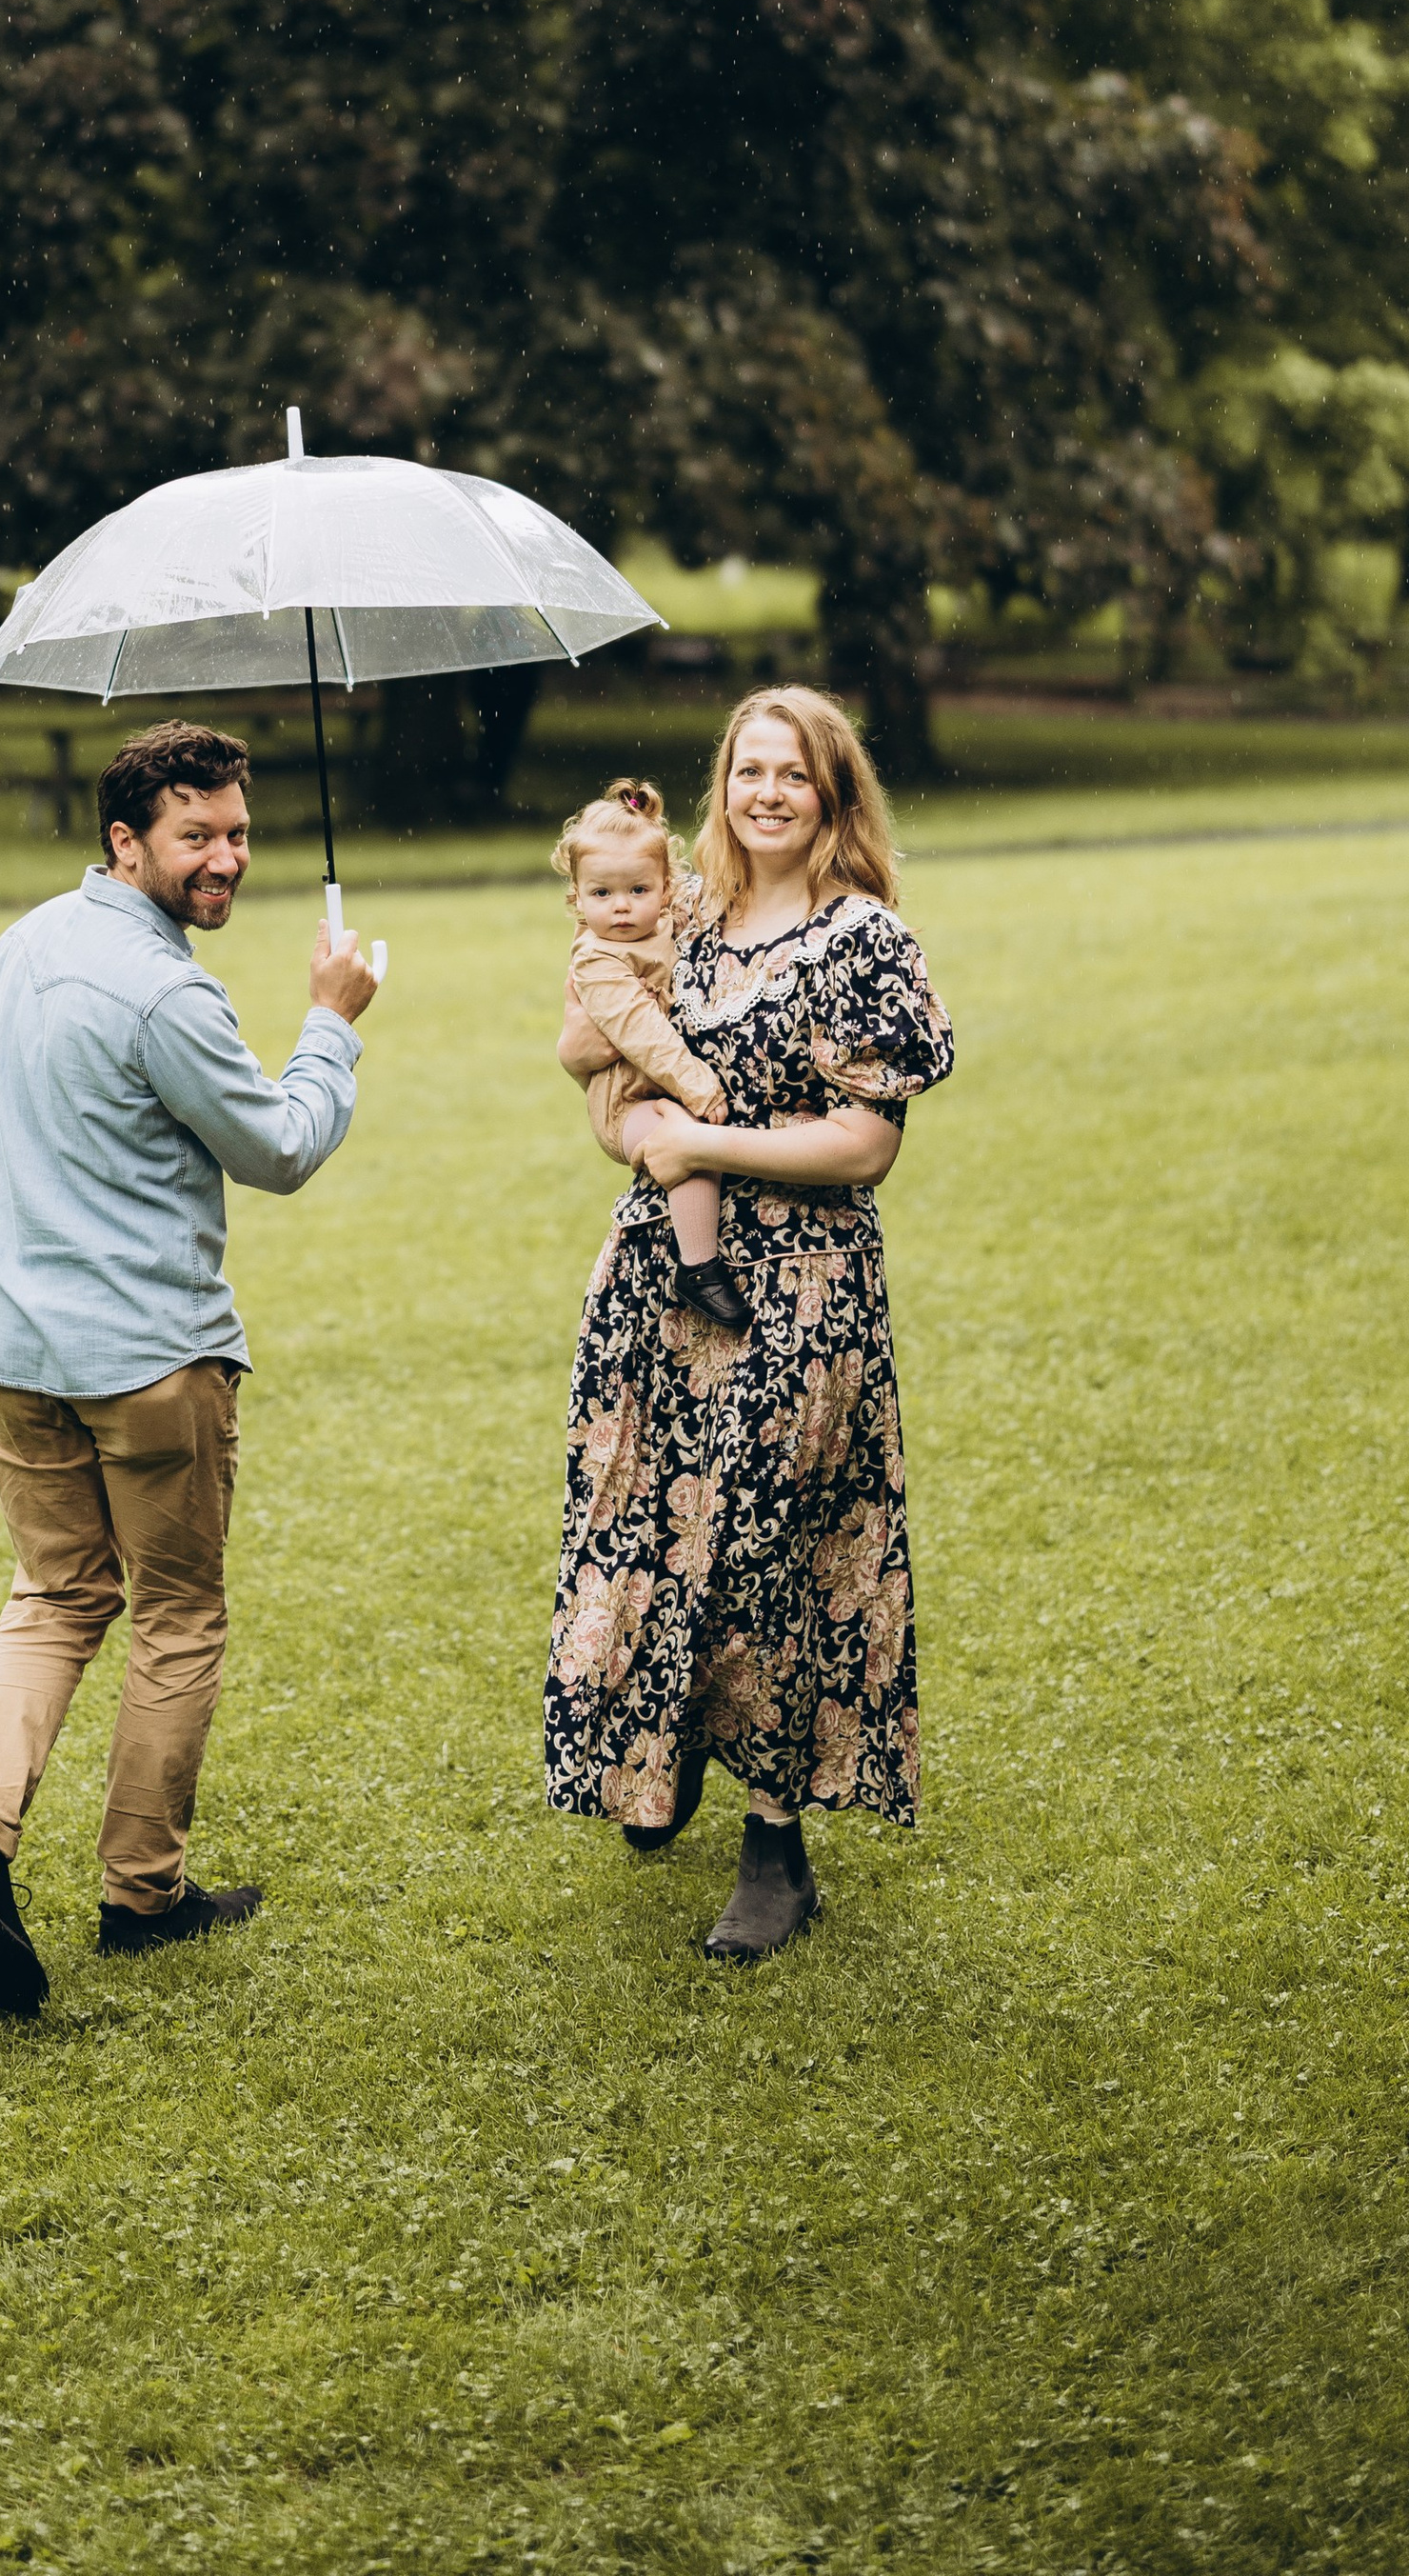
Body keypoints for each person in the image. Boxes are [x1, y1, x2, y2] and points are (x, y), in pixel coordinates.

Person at [0, 717, 379, 2014]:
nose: (224, 858)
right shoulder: (169, 993)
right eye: (197, 837)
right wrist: (331, 1026)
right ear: (128, 840)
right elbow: (279, 1146)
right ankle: (141, 1897)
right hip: (151, 1365)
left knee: (56, 1596)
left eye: (237, 831)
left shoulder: (26, 945)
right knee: (177, 1616)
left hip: (14, 1354)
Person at [542, 685, 954, 1964]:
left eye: (794, 773)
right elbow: (586, 1046)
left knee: (775, 1557)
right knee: (651, 1540)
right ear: (721, 787)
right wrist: (626, 1096)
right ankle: (655, 1765)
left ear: (833, 795)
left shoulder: (861, 938)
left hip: (800, 1294)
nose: (766, 792)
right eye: (747, 770)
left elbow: (867, 1144)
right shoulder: (689, 916)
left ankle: (776, 1849)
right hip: (660, 1288)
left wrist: (702, 1137)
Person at [550, 776, 747, 1329]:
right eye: (601, 894)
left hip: (663, 1087)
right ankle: (698, 1266)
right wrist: (697, 1083)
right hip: (626, 1104)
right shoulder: (597, 959)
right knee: (684, 1144)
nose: (620, 907)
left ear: (666, 888)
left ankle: (699, 1259)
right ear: (577, 896)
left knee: (692, 1138)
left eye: (638, 890)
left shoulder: (667, 923)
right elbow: (640, 1031)